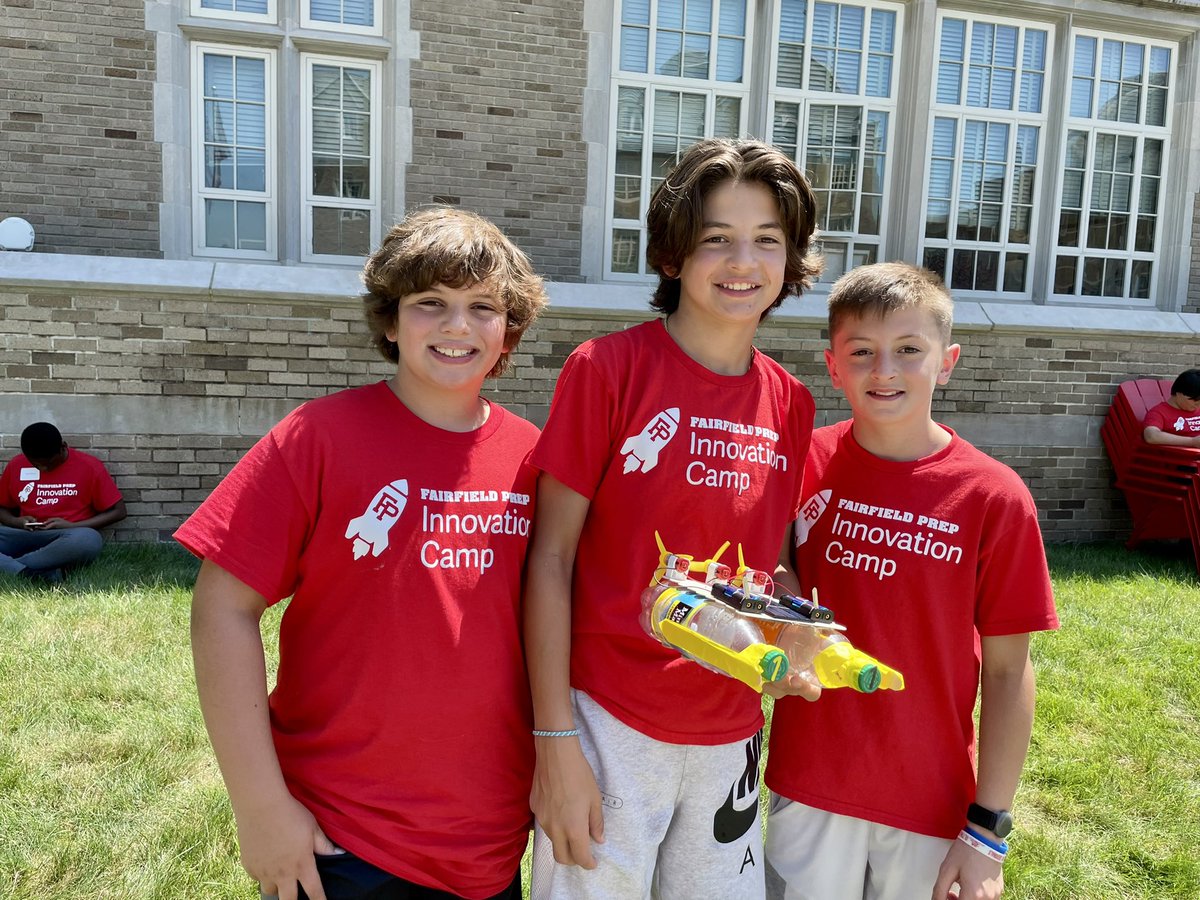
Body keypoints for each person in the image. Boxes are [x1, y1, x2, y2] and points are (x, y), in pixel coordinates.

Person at [175, 208, 548, 900]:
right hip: (339, 835)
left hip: (490, 836)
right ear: (388, 320)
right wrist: (260, 808)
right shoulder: (316, 438)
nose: (456, 326)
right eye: (429, 304)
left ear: (511, 330)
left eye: (482, 308)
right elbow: (221, 608)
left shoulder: (536, 457)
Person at [524, 138, 822, 899]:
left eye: (767, 241)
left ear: (791, 262)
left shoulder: (790, 401)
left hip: (731, 725)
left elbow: (771, 561)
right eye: (716, 238)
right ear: (673, 254)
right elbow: (550, 559)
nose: (742, 262)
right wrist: (555, 741)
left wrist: (799, 625)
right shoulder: (607, 369)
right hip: (609, 722)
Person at [763, 262, 1060, 900]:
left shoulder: (994, 495)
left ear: (946, 361)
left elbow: (1009, 671)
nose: (885, 371)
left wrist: (988, 832)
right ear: (833, 363)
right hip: (810, 781)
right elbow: (770, 563)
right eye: (861, 352)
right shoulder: (799, 462)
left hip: (929, 800)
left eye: (908, 350)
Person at [0, 421, 126, 583]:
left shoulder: (89, 466)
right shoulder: (16, 464)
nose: (43, 469)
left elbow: (119, 511)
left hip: (68, 536)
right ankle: (35, 572)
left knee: (89, 539)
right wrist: (17, 521)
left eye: (49, 463)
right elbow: (1, 509)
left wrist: (70, 526)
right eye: (36, 465)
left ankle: (13, 567)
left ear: (63, 447)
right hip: (24, 535)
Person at [1142, 368, 1200, 446]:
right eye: (1195, 400)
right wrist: (1192, 441)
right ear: (1179, 393)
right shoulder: (1159, 413)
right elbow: (1151, 436)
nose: (1198, 404)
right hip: (1183, 455)